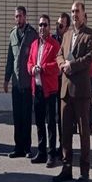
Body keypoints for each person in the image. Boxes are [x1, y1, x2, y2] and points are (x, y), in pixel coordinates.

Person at [53, 1, 92, 182]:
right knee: (65, 133)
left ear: (84, 14)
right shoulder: (67, 35)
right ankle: (66, 168)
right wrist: (62, 64)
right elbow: (59, 54)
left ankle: (84, 172)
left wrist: (72, 65)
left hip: (80, 92)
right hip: (65, 92)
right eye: (72, 11)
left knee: (83, 133)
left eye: (77, 11)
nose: (74, 14)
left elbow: (88, 58)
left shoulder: (90, 35)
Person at [27, 15, 61, 166]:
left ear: (49, 27)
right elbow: (29, 62)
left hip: (50, 90)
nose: (42, 28)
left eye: (45, 25)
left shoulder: (54, 45)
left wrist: (43, 68)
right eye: (40, 25)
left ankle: (51, 154)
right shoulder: (34, 44)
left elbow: (57, 65)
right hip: (37, 89)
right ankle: (41, 152)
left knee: (51, 123)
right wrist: (32, 68)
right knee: (39, 123)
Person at [4, 6, 38, 158]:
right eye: (16, 16)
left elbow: (36, 57)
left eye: (20, 16)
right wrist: (6, 79)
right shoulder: (12, 34)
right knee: (17, 116)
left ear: (25, 17)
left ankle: (27, 147)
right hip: (16, 83)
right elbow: (10, 59)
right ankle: (18, 147)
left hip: (28, 82)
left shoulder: (32, 34)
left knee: (26, 117)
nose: (18, 19)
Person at [53, 12, 71, 157]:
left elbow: (72, 58)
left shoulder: (71, 40)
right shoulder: (53, 39)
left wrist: (64, 66)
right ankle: (56, 145)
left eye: (61, 25)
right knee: (54, 117)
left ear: (67, 27)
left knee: (64, 117)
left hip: (65, 82)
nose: (58, 28)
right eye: (57, 25)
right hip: (53, 82)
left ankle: (65, 146)